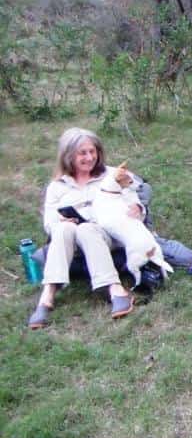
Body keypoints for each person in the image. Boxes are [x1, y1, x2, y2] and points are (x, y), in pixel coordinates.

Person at [27, 127, 141, 328]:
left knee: (87, 229)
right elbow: (49, 224)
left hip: (108, 235)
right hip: (72, 241)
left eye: (93, 151)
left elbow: (136, 198)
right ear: (68, 156)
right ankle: (48, 295)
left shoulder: (113, 175)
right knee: (64, 229)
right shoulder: (57, 187)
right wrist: (59, 223)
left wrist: (137, 208)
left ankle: (114, 288)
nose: (89, 157)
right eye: (82, 153)